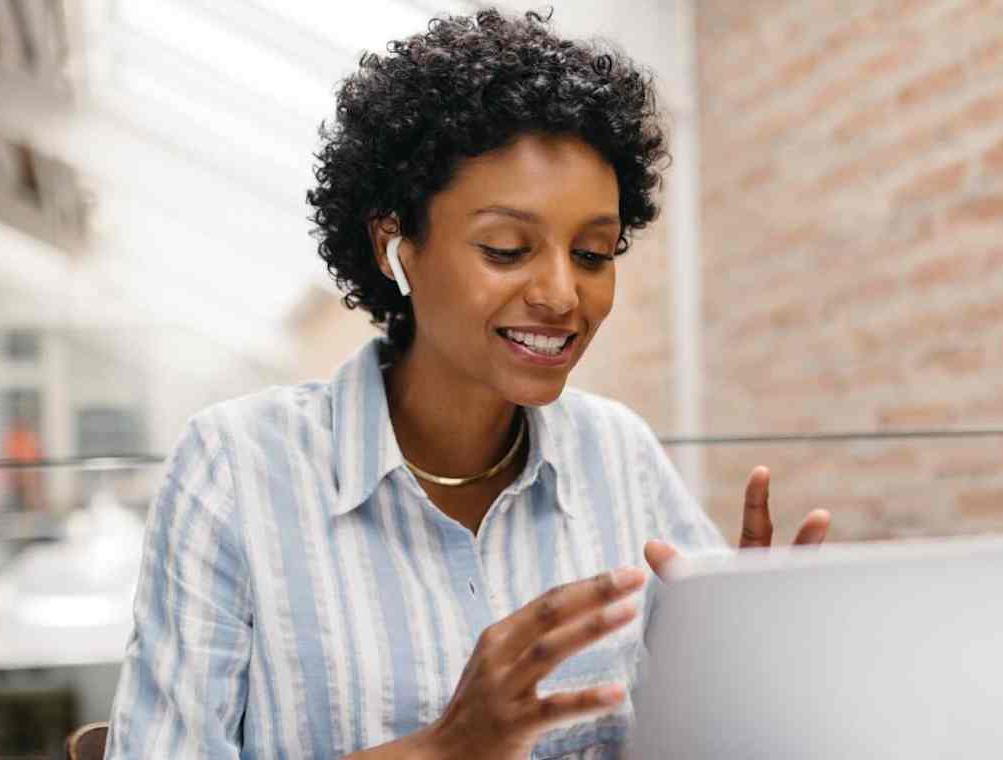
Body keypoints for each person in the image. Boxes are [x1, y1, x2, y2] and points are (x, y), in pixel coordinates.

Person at [104, 9, 829, 759]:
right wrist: (443, 749)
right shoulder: (239, 466)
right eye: (507, 248)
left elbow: (705, 730)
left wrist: (750, 658)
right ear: (396, 250)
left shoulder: (618, 452)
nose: (561, 294)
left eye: (592, 252)